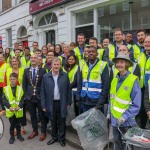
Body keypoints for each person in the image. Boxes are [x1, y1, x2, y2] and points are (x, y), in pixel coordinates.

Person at [108, 52, 141, 150]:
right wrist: (108, 113)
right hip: (115, 120)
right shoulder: (114, 80)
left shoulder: (133, 80)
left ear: (126, 64)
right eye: (117, 62)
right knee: (117, 142)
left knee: (128, 145)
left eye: (122, 62)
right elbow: (112, 99)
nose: (119, 64)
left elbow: (136, 104)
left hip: (126, 121)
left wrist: (125, 116)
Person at [41, 57, 72, 147]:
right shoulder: (46, 76)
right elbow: (42, 91)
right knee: (53, 121)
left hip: (62, 102)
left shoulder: (65, 75)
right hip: (50, 103)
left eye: (58, 64)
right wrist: (43, 104)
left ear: (60, 65)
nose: (56, 66)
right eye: (55, 64)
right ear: (51, 65)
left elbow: (68, 89)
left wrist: (69, 102)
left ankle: (61, 139)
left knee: (62, 121)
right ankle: (54, 137)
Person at [77, 46, 109, 112]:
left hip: (96, 101)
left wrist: (101, 101)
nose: (91, 53)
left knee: (97, 122)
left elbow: (106, 85)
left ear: (97, 54)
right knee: (85, 121)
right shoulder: (83, 65)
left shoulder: (102, 65)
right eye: (89, 52)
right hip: (84, 99)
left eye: (93, 52)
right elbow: (79, 83)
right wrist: (78, 98)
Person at [23, 54, 47, 141]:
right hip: (29, 97)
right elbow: (24, 85)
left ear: (38, 60)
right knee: (32, 115)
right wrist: (26, 95)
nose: (33, 59)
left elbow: (45, 85)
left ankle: (43, 132)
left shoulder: (43, 71)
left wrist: (43, 96)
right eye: (31, 58)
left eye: (35, 58)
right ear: (30, 60)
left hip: (40, 97)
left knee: (42, 116)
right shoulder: (26, 71)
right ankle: (35, 130)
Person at [6, 56, 26, 135]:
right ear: (11, 63)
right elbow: (5, 82)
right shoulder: (8, 70)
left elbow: (25, 82)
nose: (14, 63)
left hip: (20, 94)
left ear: (18, 62)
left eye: (15, 61)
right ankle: (14, 127)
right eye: (13, 61)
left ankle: (22, 127)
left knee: (21, 111)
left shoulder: (23, 70)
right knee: (12, 112)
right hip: (11, 93)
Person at [3, 73, 24, 144]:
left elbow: (22, 99)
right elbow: (4, 100)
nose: (12, 81)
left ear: (16, 80)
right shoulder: (5, 89)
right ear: (9, 80)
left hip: (18, 110)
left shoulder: (20, 89)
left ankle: (19, 135)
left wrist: (20, 106)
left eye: (14, 79)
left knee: (18, 124)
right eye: (11, 79)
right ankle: (12, 137)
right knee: (12, 124)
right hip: (11, 111)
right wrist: (9, 107)